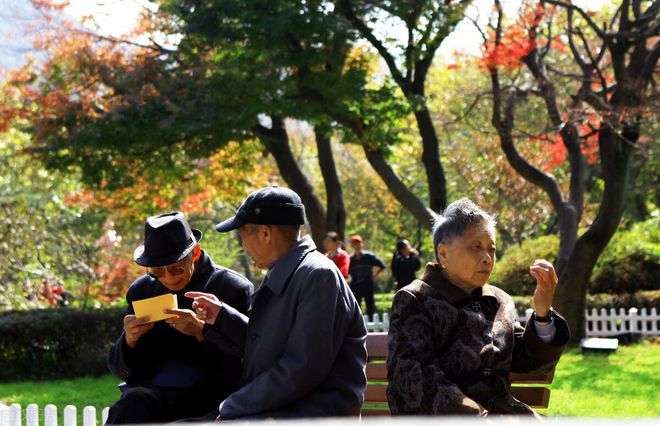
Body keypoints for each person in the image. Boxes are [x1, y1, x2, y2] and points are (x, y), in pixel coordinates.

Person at [187, 186, 367, 420]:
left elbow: (302, 368)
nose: (243, 245)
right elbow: (270, 347)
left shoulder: (317, 275)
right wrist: (222, 318)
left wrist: (234, 405)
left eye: (243, 233)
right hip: (283, 409)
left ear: (265, 233)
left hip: (315, 414)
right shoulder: (291, 272)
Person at [386, 198, 569, 416]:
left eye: (491, 249)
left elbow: (531, 363)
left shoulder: (500, 301)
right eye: (476, 247)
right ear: (443, 253)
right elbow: (415, 380)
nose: (487, 258)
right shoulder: (415, 300)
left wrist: (542, 313)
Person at [106, 212, 254, 424]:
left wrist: (202, 333)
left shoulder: (232, 288)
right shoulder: (142, 290)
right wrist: (129, 340)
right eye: (157, 270)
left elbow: (245, 364)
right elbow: (120, 369)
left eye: (176, 268)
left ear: (195, 253)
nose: (167, 278)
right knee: (130, 405)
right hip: (152, 393)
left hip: (211, 395)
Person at [348, 235, 385, 319]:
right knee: (356, 306)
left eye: (358, 243)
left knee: (370, 305)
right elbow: (345, 272)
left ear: (362, 244)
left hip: (368, 284)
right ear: (352, 245)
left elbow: (382, 265)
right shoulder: (350, 259)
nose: (357, 245)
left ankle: (372, 325)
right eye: (355, 243)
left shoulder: (369, 256)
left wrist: (374, 276)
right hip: (355, 286)